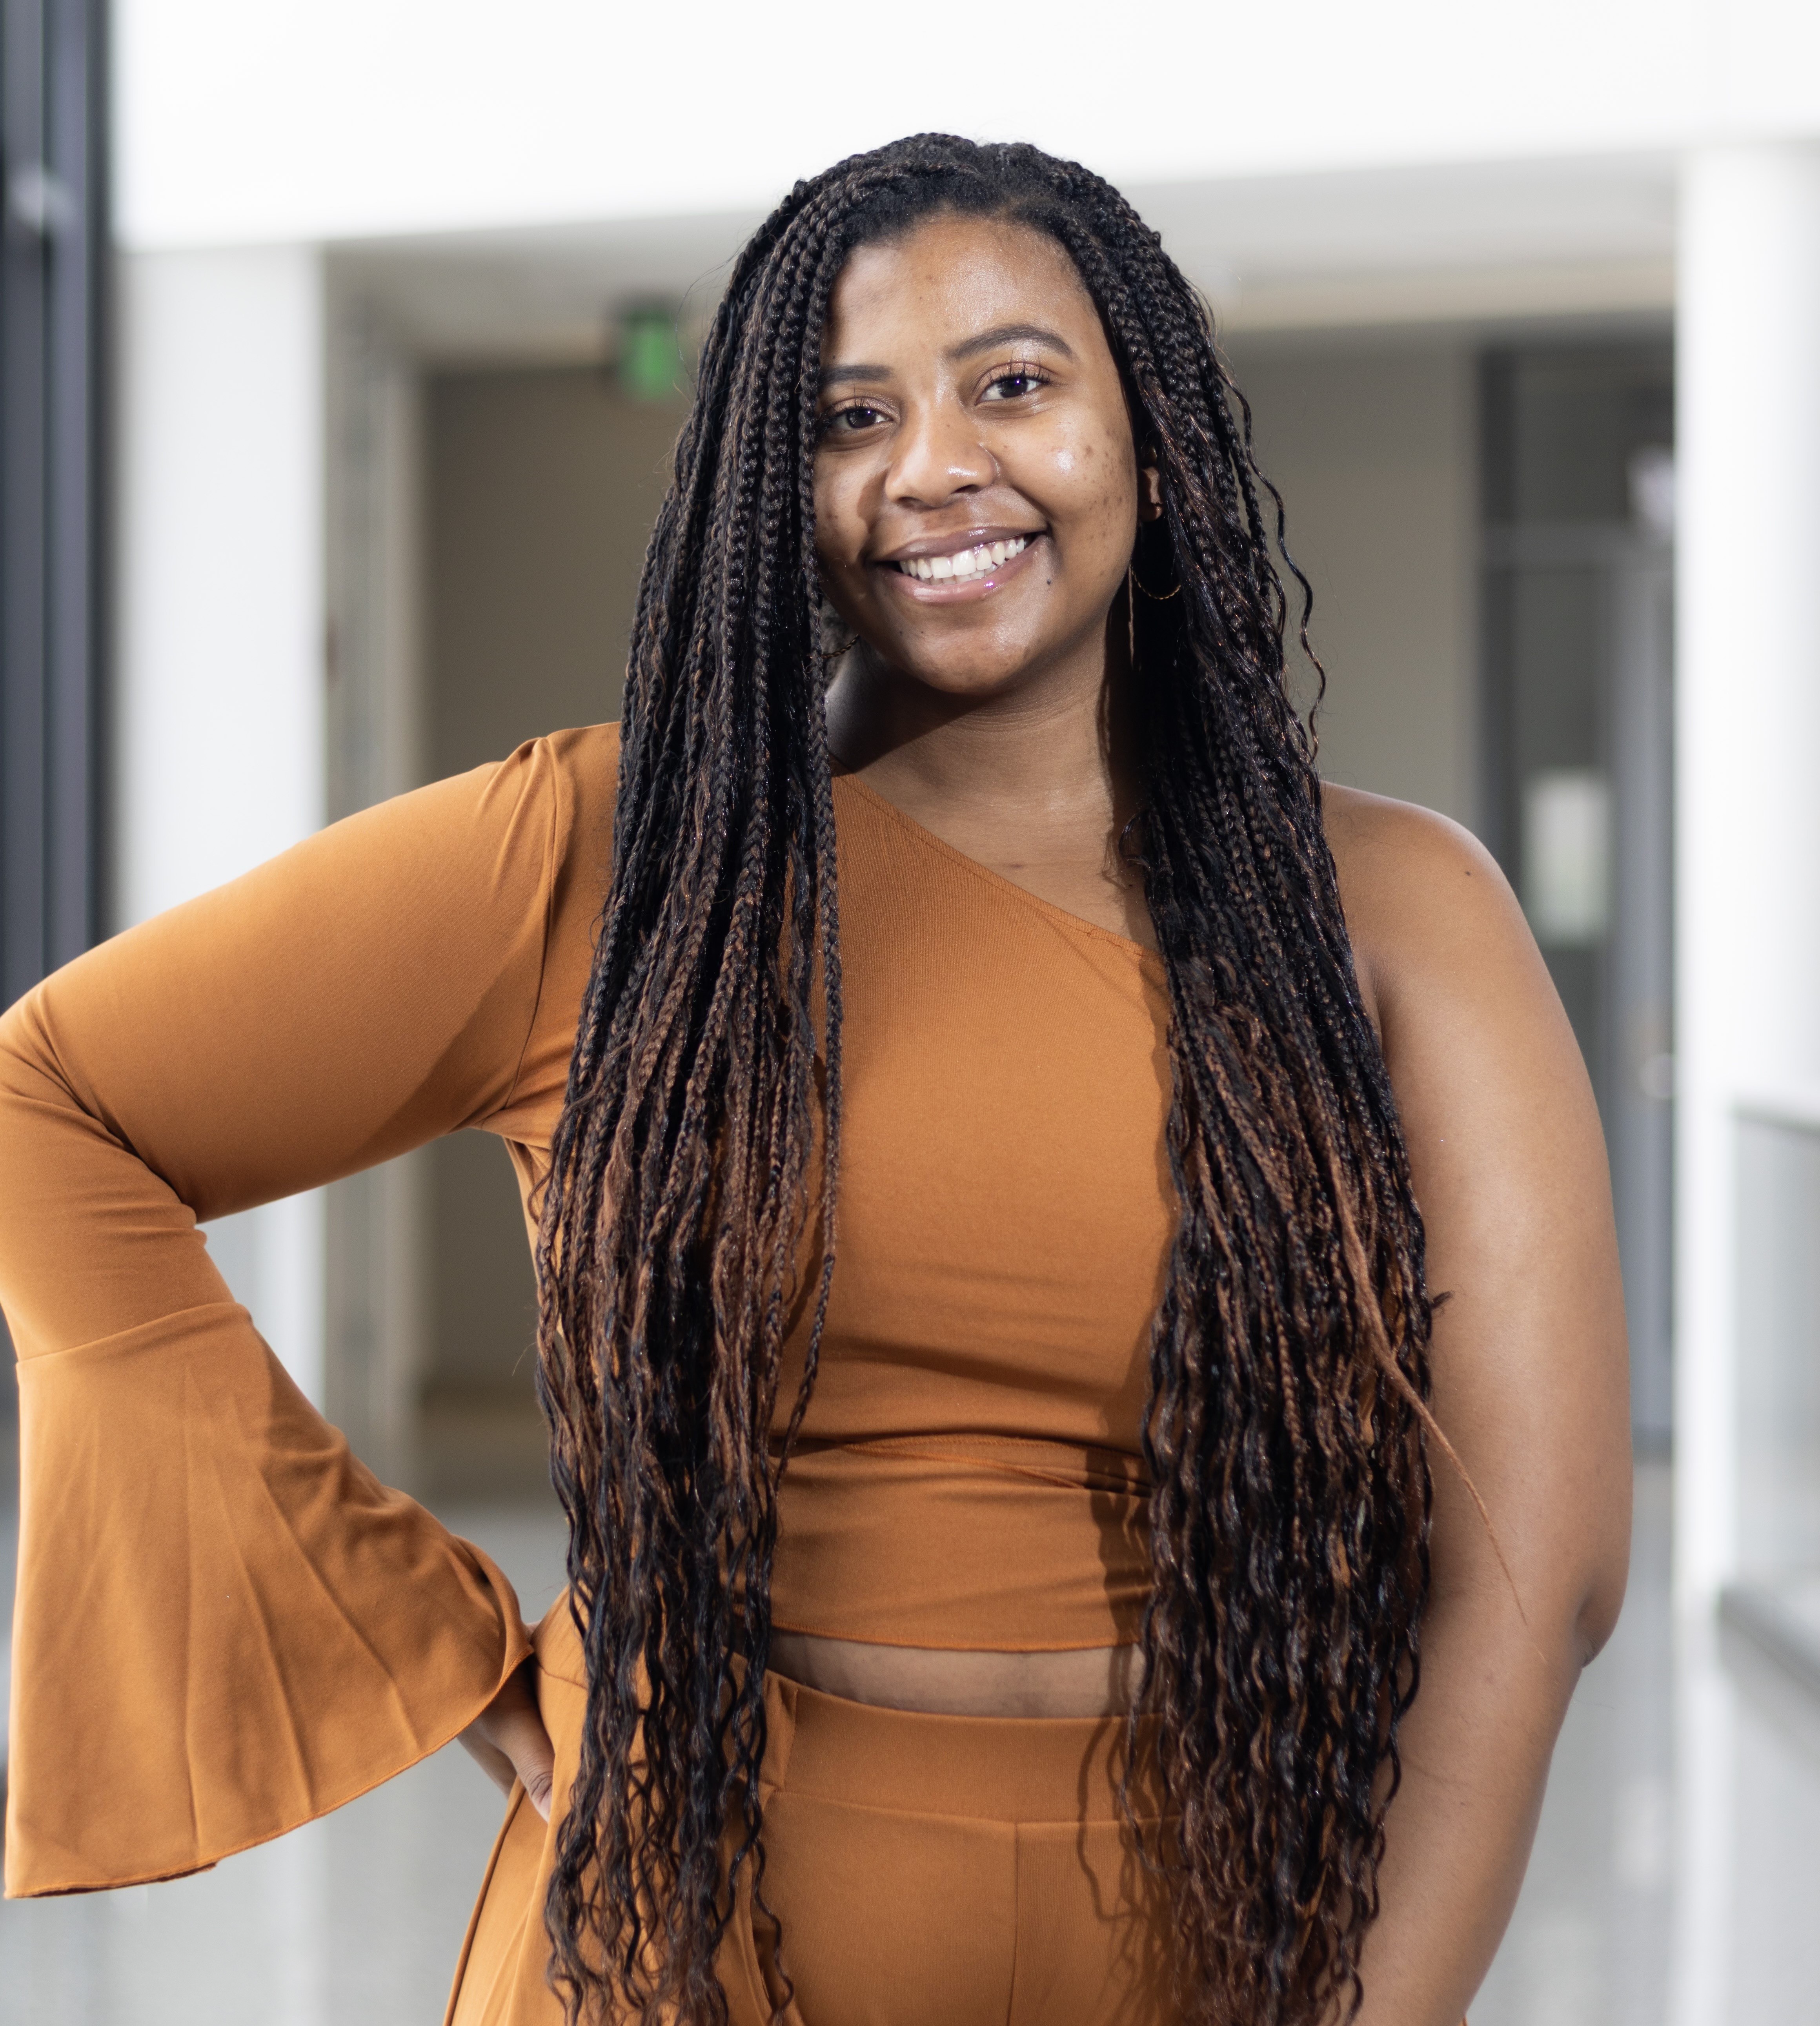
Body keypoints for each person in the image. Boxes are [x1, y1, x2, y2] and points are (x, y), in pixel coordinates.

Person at [0, 135, 1631, 2026]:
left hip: (1216, 1925)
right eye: (850, 416)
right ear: (776, 489)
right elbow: (49, 1096)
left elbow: (1531, 1577)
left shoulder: (1397, 909)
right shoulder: (622, 863)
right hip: (682, 1923)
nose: (932, 465)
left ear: (1157, 437)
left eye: (1011, 383)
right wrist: (408, 1641)